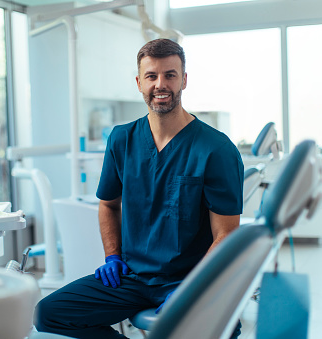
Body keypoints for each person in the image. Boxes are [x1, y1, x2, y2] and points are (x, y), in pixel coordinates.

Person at [36, 38, 244, 339]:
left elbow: (226, 234)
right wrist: (112, 256)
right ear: (139, 82)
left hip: (187, 279)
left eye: (170, 75)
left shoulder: (215, 148)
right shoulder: (121, 140)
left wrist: (194, 286)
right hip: (131, 277)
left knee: (221, 329)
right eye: (152, 76)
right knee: (48, 314)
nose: (161, 85)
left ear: (184, 80)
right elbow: (108, 204)